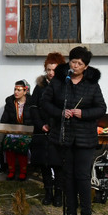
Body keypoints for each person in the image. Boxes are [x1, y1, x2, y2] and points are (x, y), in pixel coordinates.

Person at [41, 46, 106, 215]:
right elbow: (45, 103)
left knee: (82, 177)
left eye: (80, 63)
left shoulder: (92, 84)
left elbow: (101, 108)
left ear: (86, 67)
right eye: (73, 62)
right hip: (65, 135)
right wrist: (61, 113)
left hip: (85, 137)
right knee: (67, 176)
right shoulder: (60, 81)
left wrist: (82, 113)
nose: (75, 66)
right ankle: (70, 213)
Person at [29, 51, 64, 206]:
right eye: (48, 69)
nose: (51, 73)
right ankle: (48, 192)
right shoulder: (40, 86)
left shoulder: (65, 85)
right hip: (42, 131)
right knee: (44, 163)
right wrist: (40, 124)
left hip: (58, 130)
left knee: (58, 164)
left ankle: (59, 194)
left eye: (54, 69)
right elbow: (33, 107)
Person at [0, 79, 33, 180]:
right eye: (15, 89)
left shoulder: (31, 102)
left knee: (22, 144)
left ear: (25, 91)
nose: (16, 92)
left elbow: (34, 118)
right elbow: (4, 119)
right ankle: (11, 171)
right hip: (13, 131)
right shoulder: (10, 102)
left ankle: (23, 171)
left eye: (19, 90)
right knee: (8, 143)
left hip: (27, 132)